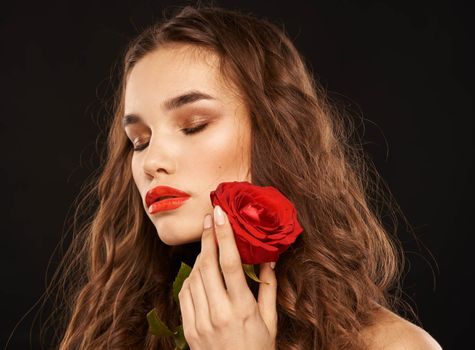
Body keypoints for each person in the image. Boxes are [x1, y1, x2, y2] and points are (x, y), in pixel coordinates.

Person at [52, 4, 442, 350]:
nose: (152, 160)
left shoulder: (392, 346)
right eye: (139, 141)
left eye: (193, 125)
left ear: (274, 133)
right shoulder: (115, 331)